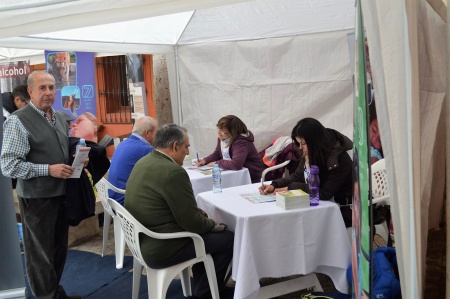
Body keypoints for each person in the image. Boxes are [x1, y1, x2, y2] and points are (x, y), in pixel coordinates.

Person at [1, 71, 85, 299]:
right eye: (42, 88)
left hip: (61, 194)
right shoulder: (18, 121)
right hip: (37, 199)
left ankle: (54, 292)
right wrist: (48, 169)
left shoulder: (58, 116)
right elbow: (8, 165)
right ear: (30, 91)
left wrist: (77, 159)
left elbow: (58, 149)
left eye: (51, 87)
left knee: (58, 251)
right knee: (40, 255)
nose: (48, 93)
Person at [125, 124, 234, 299]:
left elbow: (166, 205)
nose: (187, 152)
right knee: (227, 239)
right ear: (175, 146)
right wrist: (212, 223)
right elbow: (192, 223)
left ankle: (207, 287)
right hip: (161, 246)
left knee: (210, 239)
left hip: (141, 240)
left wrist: (197, 215)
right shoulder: (173, 172)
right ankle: (206, 294)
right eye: (186, 147)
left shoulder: (144, 161)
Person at [259, 117, 353, 226]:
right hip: (321, 207)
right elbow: (297, 176)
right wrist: (275, 184)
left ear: (314, 142)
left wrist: (291, 188)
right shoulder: (313, 152)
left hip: (344, 211)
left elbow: (323, 194)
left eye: (303, 144)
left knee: (292, 222)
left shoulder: (340, 160)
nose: (300, 148)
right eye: (299, 143)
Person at [195, 115, 266, 183]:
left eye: (224, 132)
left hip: (251, 177)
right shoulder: (223, 138)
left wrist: (216, 163)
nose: (219, 132)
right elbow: (217, 154)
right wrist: (205, 160)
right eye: (219, 128)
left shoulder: (241, 142)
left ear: (234, 133)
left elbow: (236, 164)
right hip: (235, 174)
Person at [108, 116, 158, 205]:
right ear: (147, 133)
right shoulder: (145, 149)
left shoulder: (122, 144)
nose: (158, 137)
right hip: (125, 201)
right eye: (156, 133)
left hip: (113, 198)